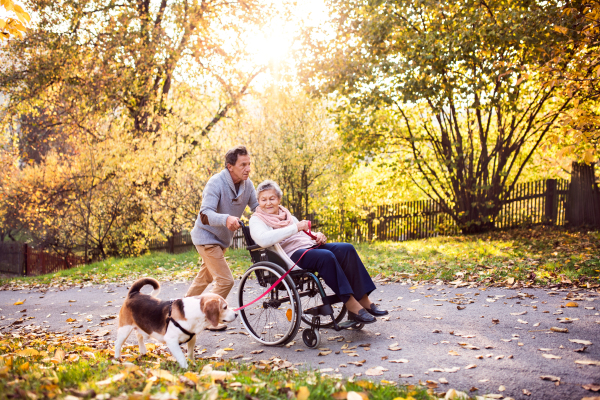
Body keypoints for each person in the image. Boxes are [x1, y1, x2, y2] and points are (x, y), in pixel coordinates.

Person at [249, 180, 388, 324]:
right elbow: (264, 240)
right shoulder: (257, 220)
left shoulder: (286, 215)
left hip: (308, 246)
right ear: (258, 201)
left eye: (272, 198)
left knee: (346, 249)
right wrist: (295, 227)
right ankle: (352, 305)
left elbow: (302, 233)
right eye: (263, 200)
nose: (268, 203)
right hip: (290, 256)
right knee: (326, 257)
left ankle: (363, 299)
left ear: (278, 199)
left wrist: (316, 235)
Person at [187, 146, 259, 330]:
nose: (248, 168)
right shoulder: (216, 183)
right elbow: (205, 214)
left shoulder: (248, 185)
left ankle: (180, 310)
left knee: (204, 279)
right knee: (226, 281)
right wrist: (225, 219)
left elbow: (257, 208)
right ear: (230, 167)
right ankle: (210, 319)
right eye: (243, 164)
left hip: (221, 240)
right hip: (206, 237)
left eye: (249, 164)